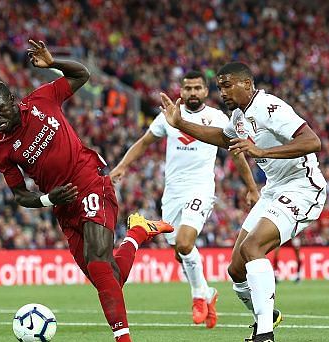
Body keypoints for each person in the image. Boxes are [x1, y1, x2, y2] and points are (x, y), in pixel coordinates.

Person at [0, 39, 173, 342]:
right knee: (109, 275)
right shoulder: (0, 150)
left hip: (89, 180)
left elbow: (81, 75)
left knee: (98, 263)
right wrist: (47, 199)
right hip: (62, 204)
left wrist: (54, 62)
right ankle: (137, 234)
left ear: (12, 99)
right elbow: (20, 196)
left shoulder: (41, 99)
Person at [160, 62, 326, 342]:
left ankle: (265, 336)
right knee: (236, 269)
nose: (222, 92)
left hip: (302, 187)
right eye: (220, 86)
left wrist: (262, 152)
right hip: (275, 188)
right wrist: (181, 124)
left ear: (247, 84)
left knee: (252, 248)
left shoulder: (269, 107)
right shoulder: (238, 116)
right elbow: (224, 139)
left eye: (227, 85)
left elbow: (312, 141)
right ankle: (267, 312)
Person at [110, 70, 259, 328]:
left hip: (200, 188)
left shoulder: (216, 117)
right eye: (188, 88)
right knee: (180, 253)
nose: (192, 93)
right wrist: (122, 166)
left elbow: (236, 152)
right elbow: (144, 142)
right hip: (172, 193)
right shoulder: (168, 117)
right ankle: (207, 292)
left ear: (205, 91)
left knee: (184, 241)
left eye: (197, 88)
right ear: (181, 90)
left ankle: (198, 296)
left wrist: (251, 187)